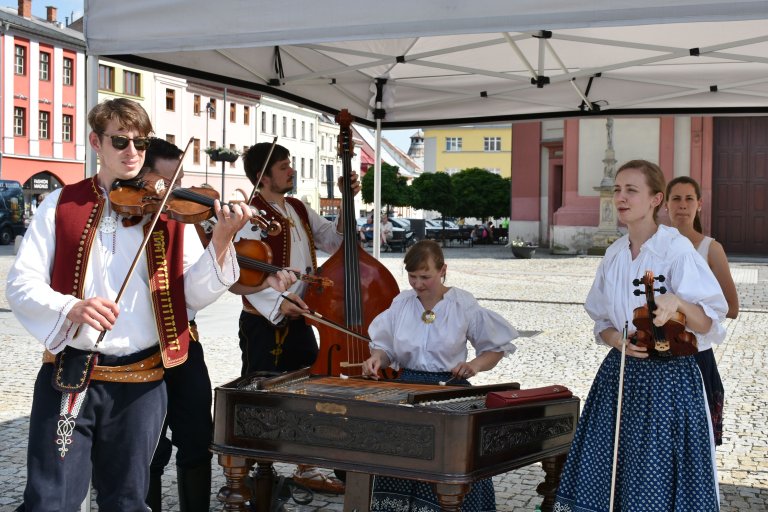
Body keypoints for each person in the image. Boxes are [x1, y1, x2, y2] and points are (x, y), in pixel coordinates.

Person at [5, 99, 253, 511]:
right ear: (95, 143)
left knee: (127, 499)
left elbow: (189, 297)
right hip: (72, 374)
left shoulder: (169, 211)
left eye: (140, 142)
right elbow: (21, 283)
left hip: (142, 379)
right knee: (51, 499)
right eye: (120, 141)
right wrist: (71, 306)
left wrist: (223, 240)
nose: (132, 152)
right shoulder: (60, 205)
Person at [554, 160, 728, 511]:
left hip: (669, 382)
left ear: (655, 199)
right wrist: (615, 340)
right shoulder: (614, 254)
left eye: (631, 190)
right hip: (619, 377)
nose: (621, 197)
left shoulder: (675, 250)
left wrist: (677, 302)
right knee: (610, 469)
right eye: (618, 189)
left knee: (653, 473)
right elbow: (600, 318)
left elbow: (710, 320)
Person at [230, 141, 361, 495]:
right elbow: (241, 271)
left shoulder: (298, 208)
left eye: (290, 165)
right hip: (264, 321)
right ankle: (253, 471)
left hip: (302, 318)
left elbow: (336, 241)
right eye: (284, 166)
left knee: (310, 388)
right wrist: (277, 301)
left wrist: (347, 202)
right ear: (263, 176)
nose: (291, 171)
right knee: (263, 394)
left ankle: (308, 465)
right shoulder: (249, 213)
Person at [362, 239, 518, 511]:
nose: (418, 284)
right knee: (401, 457)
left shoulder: (462, 304)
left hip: (451, 391)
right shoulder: (402, 303)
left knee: (453, 461)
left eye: (426, 277)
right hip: (407, 388)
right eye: (412, 276)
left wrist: (474, 366)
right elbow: (385, 347)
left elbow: (494, 348)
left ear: (443, 270)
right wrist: (377, 357)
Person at [666, 175, 739, 446]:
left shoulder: (711, 248)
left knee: (696, 447)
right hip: (659, 356)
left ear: (699, 204)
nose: (682, 205)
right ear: (665, 205)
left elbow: (731, 308)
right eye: (676, 198)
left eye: (689, 199)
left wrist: (686, 314)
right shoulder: (658, 247)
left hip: (696, 356)